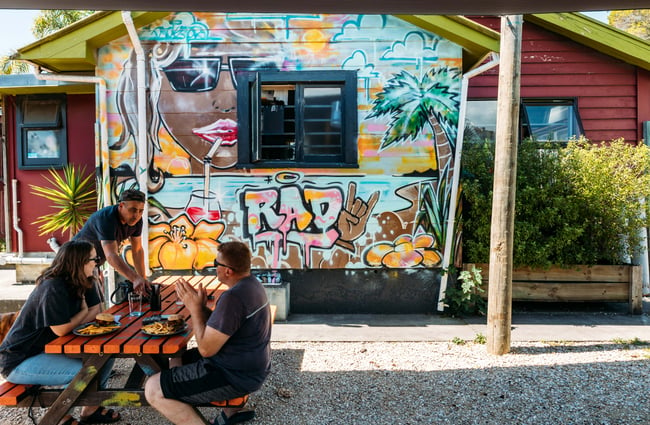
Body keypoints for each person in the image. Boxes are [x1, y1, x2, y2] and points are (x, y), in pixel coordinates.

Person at [144, 241, 272, 425]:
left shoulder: (233, 298)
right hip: (249, 366)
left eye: (216, 264)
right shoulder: (252, 285)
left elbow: (205, 350)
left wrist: (195, 309)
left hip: (235, 375)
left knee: (153, 388)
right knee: (174, 358)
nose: (214, 268)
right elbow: (226, 327)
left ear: (228, 271)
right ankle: (228, 412)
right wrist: (203, 308)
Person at [0, 240, 121, 425]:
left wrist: (87, 308)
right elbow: (62, 329)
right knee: (84, 372)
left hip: (44, 351)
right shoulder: (53, 287)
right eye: (94, 259)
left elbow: (97, 311)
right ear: (79, 262)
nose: (97, 262)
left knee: (104, 355)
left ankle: (91, 409)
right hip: (18, 360)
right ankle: (59, 416)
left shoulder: (85, 279)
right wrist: (83, 312)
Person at [74, 188, 150, 296]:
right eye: (132, 210)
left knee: (96, 304)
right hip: (75, 262)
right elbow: (111, 255)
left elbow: (137, 251)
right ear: (121, 206)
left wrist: (142, 280)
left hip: (93, 263)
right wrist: (134, 278)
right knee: (87, 304)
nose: (136, 215)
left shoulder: (137, 220)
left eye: (141, 211)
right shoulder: (106, 218)